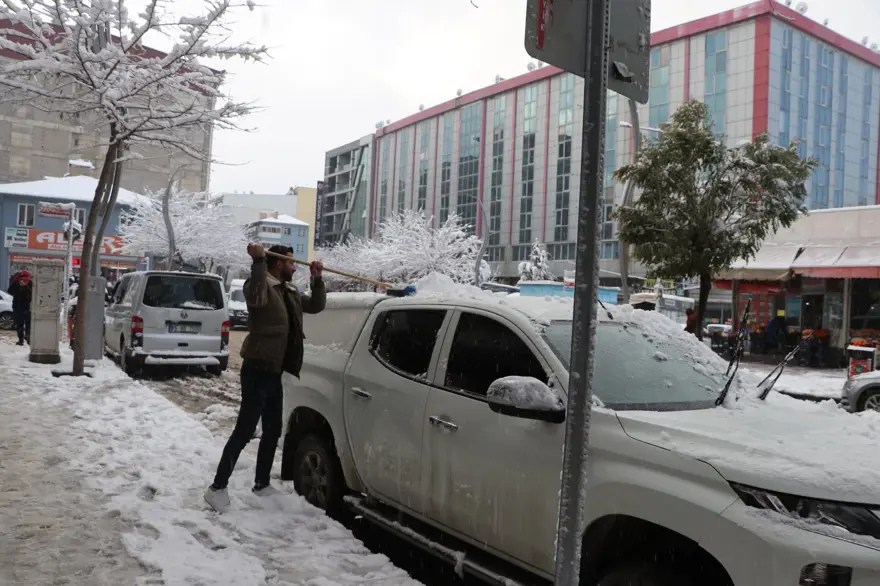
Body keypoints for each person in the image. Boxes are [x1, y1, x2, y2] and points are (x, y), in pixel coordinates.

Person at [205, 243, 325, 513]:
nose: (296, 267)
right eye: (291, 262)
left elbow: (316, 306)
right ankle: (217, 488)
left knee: (273, 429)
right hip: (257, 368)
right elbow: (257, 298)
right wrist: (258, 262)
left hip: (275, 370)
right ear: (278, 263)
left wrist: (317, 279)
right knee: (245, 430)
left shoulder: (289, 291)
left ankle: (261, 483)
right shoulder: (257, 285)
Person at [8, 270, 33, 346]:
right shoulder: (15, 284)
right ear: (19, 279)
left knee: (28, 324)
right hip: (17, 307)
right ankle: (20, 340)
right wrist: (18, 286)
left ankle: (28, 337)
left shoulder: (30, 284)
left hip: (27, 307)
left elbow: (31, 294)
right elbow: (10, 291)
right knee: (19, 325)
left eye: (27, 279)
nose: (25, 281)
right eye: (23, 279)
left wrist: (25, 286)